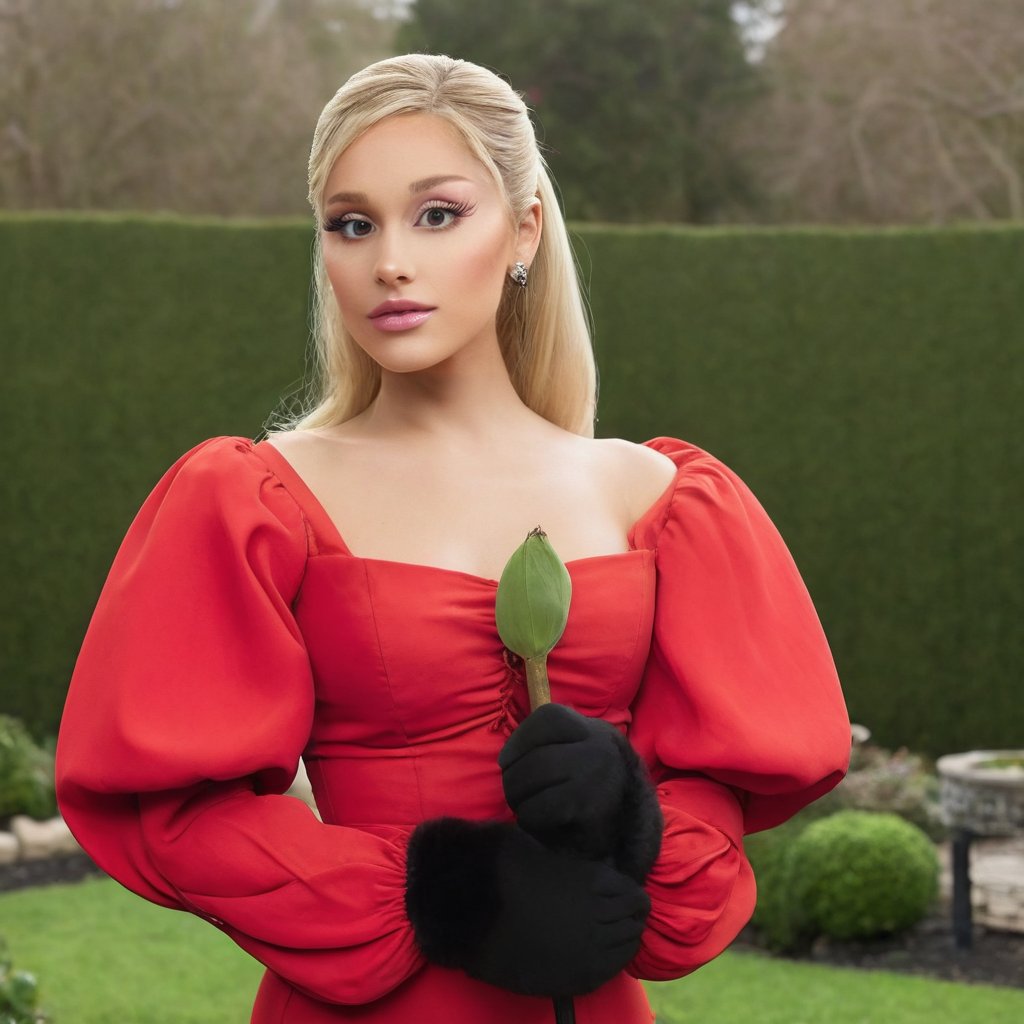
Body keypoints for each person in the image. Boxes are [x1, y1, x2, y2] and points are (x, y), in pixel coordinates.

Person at [55, 54, 850, 1024]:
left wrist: (631, 820)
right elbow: (171, 810)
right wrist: (441, 894)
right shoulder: (254, 498)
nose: (390, 259)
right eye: (352, 223)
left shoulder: (657, 497)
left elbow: (713, 815)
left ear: (522, 230)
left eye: (436, 214)